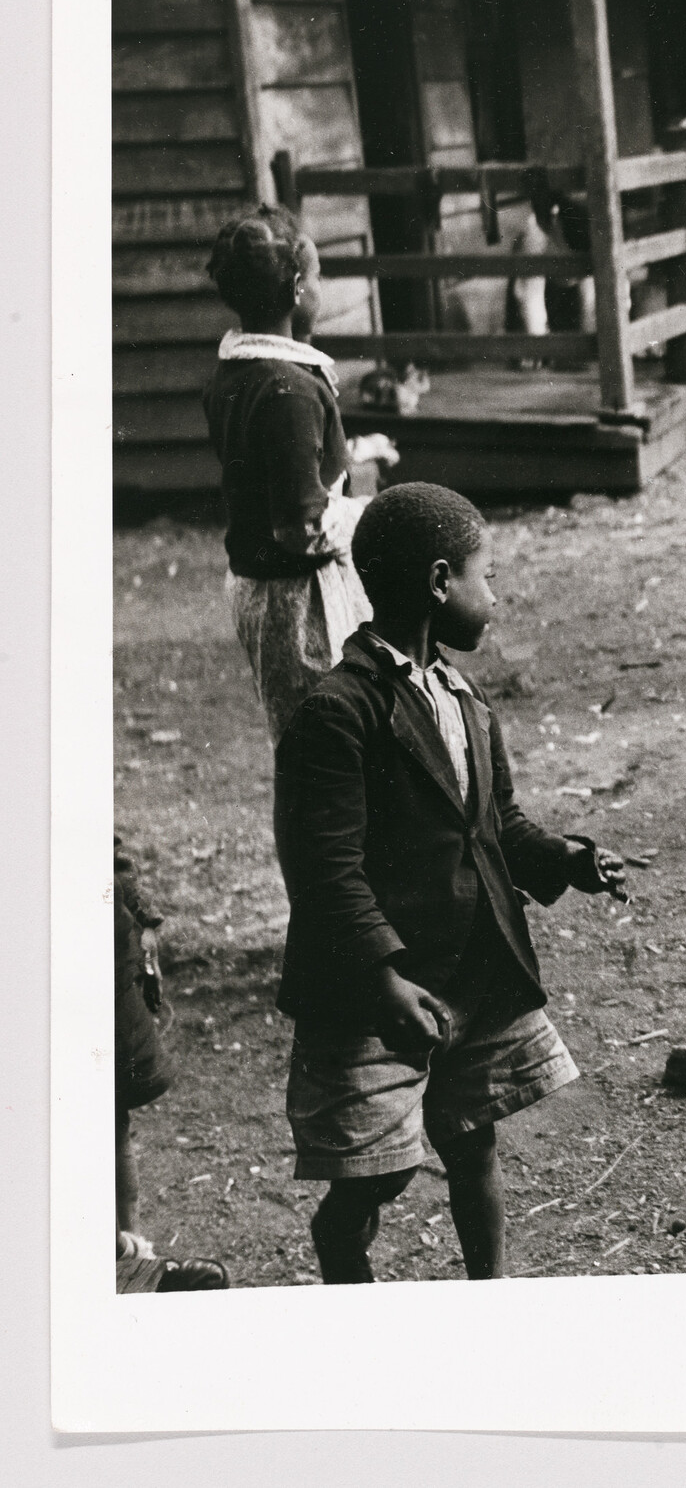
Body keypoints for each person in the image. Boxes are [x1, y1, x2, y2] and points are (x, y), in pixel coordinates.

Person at [273, 482, 629, 1282]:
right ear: (441, 582)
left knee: (473, 1140)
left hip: (467, 966)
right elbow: (325, 870)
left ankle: (489, 1299)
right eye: (487, 575)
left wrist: (565, 858)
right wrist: (382, 975)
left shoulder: (466, 701)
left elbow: (496, 826)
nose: (495, 596)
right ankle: (344, 1259)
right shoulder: (338, 711)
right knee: (377, 1169)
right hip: (381, 984)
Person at [200, 206, 374, 743]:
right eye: (318, 276)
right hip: (297, 600)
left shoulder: (238, 373)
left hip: (261, 589)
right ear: (298, 289)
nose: (321, 288)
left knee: (307, 740)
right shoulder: (287, 389)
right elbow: (302, 528)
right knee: (328, 744)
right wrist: (371, 513)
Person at [113, 839, 231, 1294]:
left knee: (108, 1108)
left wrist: (141, 920)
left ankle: (130, 1260)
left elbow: (101, 841)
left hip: (98, 953)